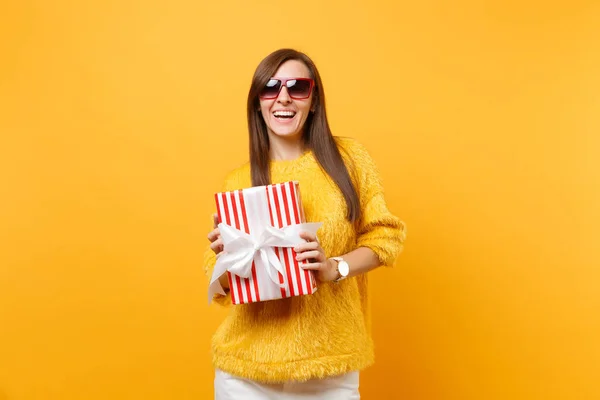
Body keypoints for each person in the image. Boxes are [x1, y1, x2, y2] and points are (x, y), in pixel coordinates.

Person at [204, 48, 406, 399]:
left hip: (330, 369)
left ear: (313, 100)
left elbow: (385, 237)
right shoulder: (238, 182)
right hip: (245, 373)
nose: (283, 97)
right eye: (270, 87)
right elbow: (220, 285)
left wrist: (335, 267)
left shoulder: (348, 160)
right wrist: (227, 257)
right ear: (258, 103)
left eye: (298, 86)